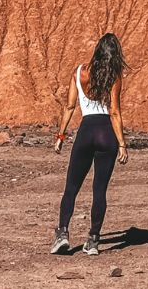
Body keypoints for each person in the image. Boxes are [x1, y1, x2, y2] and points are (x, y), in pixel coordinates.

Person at [51, 32, 128, 255]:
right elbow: (114, 111)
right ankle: (93, 240)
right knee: (99, 190)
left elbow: (69, 106)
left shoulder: (79, 72)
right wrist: (122, 143)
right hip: (107, 134)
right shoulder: (114, 76)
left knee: (71, 188)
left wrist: (60, 137)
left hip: (86, 131)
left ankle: (62, 233)